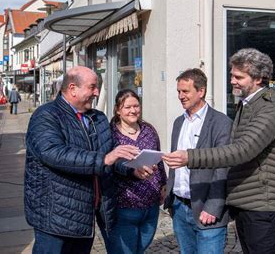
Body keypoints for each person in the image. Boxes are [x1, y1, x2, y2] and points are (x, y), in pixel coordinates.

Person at [163, 48, 275, 254]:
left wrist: (190, 157)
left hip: (263, 203)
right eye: (232, 75)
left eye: (239, 77)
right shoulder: (249, 105)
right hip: (248, 202)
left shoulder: (271, 108)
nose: (232, 80)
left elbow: (242, 150)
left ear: (258, 78)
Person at [24, 66, 140, 254]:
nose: (96, 92)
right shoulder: (46, 115)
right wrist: (105, 159)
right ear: (72, 89)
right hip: (55, 218)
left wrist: (130, 169)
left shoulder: (98, 118)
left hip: (86, 215)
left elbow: (109, 156)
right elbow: (53, 153)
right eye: (92, 87)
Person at [163, 68, 232, 253]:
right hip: (180, 207)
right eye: (178, 91)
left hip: (207, 208)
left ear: (201, 91)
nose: (180, 96)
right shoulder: (179, 122)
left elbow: (223, 167)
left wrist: (213, 207)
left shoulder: (221, 122)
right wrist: (171, 197)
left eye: (185, 91)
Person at [107, 89, 167, 254]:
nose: (133, 110)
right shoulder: (110, 134)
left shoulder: (148, 130)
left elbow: (158, 159)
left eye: (136, 106)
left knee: (140, 249)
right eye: (127, 107)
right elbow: (110, 164)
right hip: (124, 206)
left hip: (151, 204)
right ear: (118, 110)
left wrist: (163, 184)